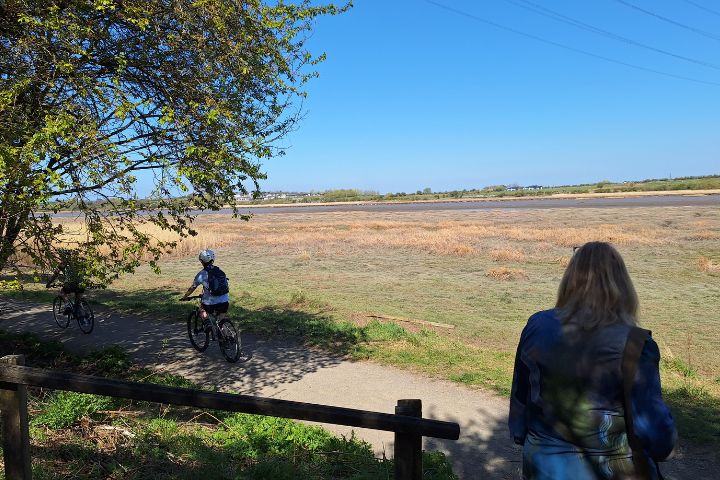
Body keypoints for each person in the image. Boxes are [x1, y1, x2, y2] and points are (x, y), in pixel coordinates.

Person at [509, 241, 676, 480]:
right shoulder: (637, 344)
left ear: (570, 280)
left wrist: (523, 436)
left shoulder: (537, 325)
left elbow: (521, 397)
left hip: (542, 466)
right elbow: (656, 435)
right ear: (622, 285)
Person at [181, 249, 230, 326]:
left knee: (202, 308)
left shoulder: (201, 274)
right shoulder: (219, 271)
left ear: (201, 261)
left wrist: (185, 296)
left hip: (211, 303)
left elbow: (192, 288)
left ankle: (207, 323)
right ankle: (225, 334)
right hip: (225, 300)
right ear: (213, 259)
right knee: (221, 320)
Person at [46, 248, 88, 317]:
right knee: (78, 301)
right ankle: (83, 313)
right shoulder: (77, 262)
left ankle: (67, 306)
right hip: (81, 284)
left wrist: (48, 283)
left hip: (70, 284)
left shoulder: (62, 264)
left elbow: (55, 275)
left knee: (62, 292)